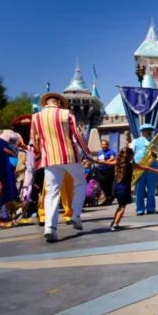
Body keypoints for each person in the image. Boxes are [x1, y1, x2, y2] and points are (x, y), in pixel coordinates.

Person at [31, 92, 91, 242]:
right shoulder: (66, 113)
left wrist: (39, 159)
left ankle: (50, 228)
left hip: (49, 159)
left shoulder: (36, 117)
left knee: (51, 193)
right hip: (69, 156)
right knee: (81, 183)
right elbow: (78, 134)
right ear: (58, 103)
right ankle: (75, 214)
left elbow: (34, 141)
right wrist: (87, 154)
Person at [91, 147, 158, 231]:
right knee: (122, 207)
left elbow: (104, 163)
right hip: (124, 187)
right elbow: (145, 168)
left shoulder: (117, 163)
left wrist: (93, 160)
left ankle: (114, 222)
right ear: (130, 155)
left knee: (120, 206)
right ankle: (116, 225)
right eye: (132, 155)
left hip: (116, 186)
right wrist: (157, 171)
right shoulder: (130, 165)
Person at [128, 124, 158, 215]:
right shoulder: (135, 141)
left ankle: (151, 208)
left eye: (150, 130)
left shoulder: (156, 141)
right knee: (139, 190)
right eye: (146, 130)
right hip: (139, 168)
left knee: (151, 189)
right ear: (142, 131)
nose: (149, 131)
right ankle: (140, 209)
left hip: (152, 168)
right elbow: (129, 154)